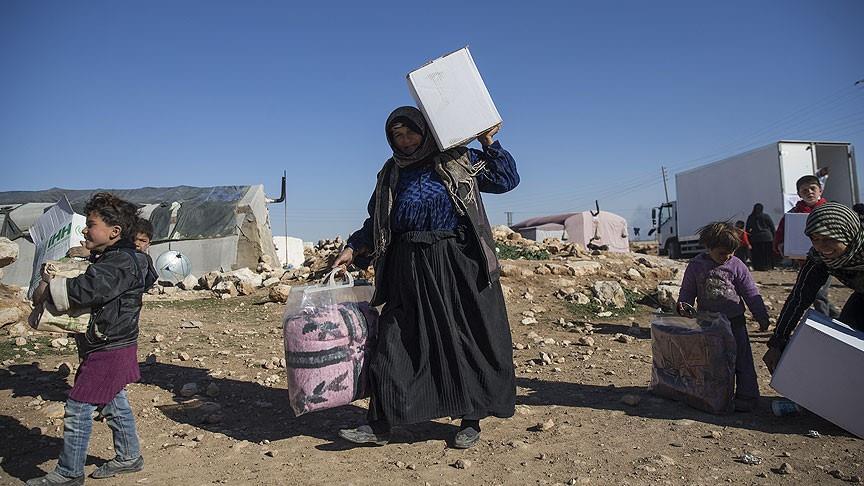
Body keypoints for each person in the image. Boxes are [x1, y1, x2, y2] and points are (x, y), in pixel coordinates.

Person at [332, 106, 519, 449]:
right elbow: (378, 219)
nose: (405, 141)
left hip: (457, 265)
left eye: (411, 133)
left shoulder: (457, 159)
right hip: (407, 267)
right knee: (395, 340)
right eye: (397, 136)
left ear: (426, 131)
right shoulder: (391, 173)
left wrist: (488, 141)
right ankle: (380, 424)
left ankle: (471, 420)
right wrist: (354, 247)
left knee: (466, 339)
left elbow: (505, 179)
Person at [28, 193, 157, 485]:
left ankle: (69, 472)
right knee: (113, 400)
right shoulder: (119, 257)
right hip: (108, 342)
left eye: (91, 225)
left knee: (78, 407)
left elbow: (88, 289)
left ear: (114, 231)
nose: (85, 230)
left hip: (110, 346)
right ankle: (129, 457)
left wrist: (52, 284)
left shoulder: (120, 261)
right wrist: (92, 257)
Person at [676, 222, 770, 412]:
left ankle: (747, 396)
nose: (727, 257)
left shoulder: (736, 265)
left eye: (731, 252)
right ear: (708, 247)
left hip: (735, 323)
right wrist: (684, 306)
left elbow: (750, 292)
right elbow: (687, 291)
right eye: (722, 253)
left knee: (742, 360)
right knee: (713, 362)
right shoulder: (696, 266)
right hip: (709, 325)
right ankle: (715, 395)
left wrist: (761, 315)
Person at [762, 203, 864, 373]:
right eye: (815, 239)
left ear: (848, 233)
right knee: (846, 342)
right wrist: (777, 342)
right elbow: (799, 297)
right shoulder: (819, 258)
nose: (822, 246)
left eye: (829, 238)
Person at [773, 174, 839, 318]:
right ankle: (838, 319)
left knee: (819, 294)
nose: (809, 192)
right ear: (799, 194)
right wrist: (780, 245)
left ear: (820, 190)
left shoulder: (830, 211)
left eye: (812, 188)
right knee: (816, 293)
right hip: (805, 262)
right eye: (804, 190)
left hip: (827, 260)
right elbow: (781, 232)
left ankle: (825, 325)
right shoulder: (793, 213)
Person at [745, 203, 775, 271]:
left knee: (757, 254)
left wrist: (748, 239)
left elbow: (747, 229)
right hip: (767, 237)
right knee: (767, 254)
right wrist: (774, 237)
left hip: (756, 238)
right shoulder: (766, 216)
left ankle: (758, 267)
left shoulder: (751, 217)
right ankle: (768, 266)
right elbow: (772, 227)